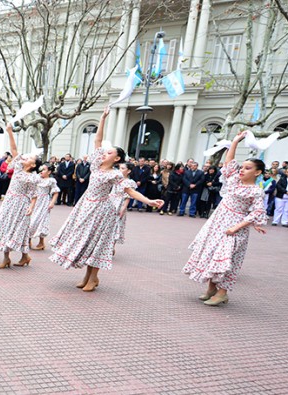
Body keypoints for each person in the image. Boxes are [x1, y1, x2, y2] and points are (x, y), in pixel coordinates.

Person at [49, 107, 162, 292]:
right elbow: (97, 140)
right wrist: (102, 118)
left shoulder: (115, 174)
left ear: (117, 158)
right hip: (86, 205)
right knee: (84, 239)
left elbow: (130, 192)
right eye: (105, 152)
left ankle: (92, 277)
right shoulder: (95, 164)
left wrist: (149, 201)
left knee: (97, 243)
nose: (104, 153)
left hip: (102, 210)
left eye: (109, 153)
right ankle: (87, 275)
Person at [182, 131, 267, 306]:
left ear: (258, 172)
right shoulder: (234, 180)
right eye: (242, 167)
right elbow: (229, 163)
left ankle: (222, 292)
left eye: (248, 168)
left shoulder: (256, 191)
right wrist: (235, 141)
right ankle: (211, 289)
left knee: (227, 259)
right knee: (212, 253)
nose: (242, 170)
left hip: (234, 227)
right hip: (218, 221)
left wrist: (238, 227)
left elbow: (256, 213)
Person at [0, 123, 42, 268]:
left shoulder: (34, 177)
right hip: (9, 201)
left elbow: (34, 194)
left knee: (18, 229)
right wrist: (9, 131)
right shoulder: (19, 168)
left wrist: (31, 207)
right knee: (5, 226)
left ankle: (23, 256)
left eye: (29, 158)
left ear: (33, 165)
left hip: (21, 205)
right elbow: (14, 150)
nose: (24, 158)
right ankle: (8, 257)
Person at [28, 164, 60, 251]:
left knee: (42, 221)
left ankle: (41, 242)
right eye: (41, 169)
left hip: (44, 202)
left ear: (49, 172)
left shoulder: (51, 180)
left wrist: (52, 203)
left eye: (44, 170)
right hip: (35, 201)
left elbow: (56, 192)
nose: (41, 171)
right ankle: (28, 240)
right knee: (31, 220)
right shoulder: (36, 178)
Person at [112, 163, 139, 252]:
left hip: (120, 202)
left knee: (116, 224)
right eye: (119, 168)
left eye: (123, 168)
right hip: (111, 201)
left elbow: (128, 196)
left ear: (129, 171)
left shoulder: (130, 182)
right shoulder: (115, 179)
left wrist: (124, 207)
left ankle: (112, 246)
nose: (120, 170)